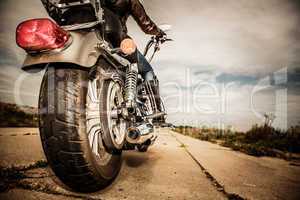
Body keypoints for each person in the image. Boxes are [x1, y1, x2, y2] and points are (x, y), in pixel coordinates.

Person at [103, 0, 166, 121]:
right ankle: (158, 112)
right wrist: (159, 33)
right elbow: (146, 25)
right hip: (118, 42)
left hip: (95, 38)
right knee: (147, 71)